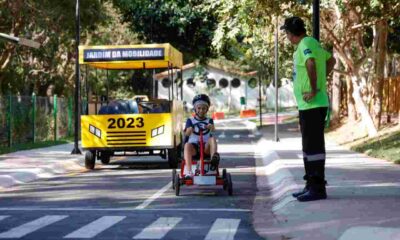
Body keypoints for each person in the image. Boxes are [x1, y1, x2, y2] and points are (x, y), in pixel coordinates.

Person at [281, 16, 336, 202]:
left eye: (287, 33)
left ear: (291, 33)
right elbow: (332, 61)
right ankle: (310, 184)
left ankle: (317, 188)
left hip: (313, 104)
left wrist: (314, 88)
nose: (287, 37)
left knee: (313, 147)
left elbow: (311, 62)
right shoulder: (312, 42)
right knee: (308, 146)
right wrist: (322, 78)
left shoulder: (305, 44)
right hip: (309, 105)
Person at [183, 94, 220, 180]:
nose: (201, 111)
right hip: (194, 147)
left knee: (212, 139)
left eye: (203, 108)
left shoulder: (209, 120)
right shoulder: (190, 120)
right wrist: (190, 129)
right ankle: (189, 172)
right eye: (199, 108)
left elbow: (213, 129)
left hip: (206, 147)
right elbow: (187, 133)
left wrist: (211, 127)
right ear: (195, 109)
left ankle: (213, 160)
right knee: (187, 145)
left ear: (207, 109)